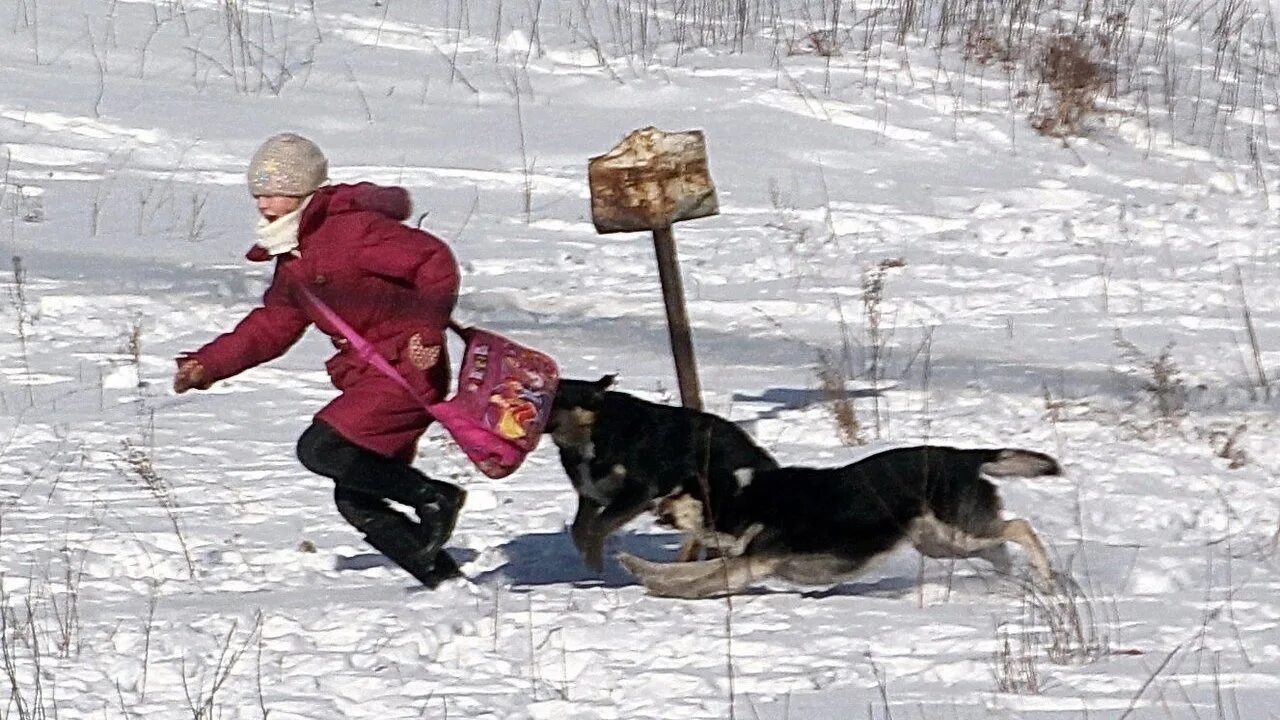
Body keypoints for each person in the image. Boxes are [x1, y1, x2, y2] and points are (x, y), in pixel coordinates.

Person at [173, 132, 467, 587]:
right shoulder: (294, 252)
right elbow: (275, 323)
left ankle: (437, 498)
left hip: (406, 367)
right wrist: (208, 364)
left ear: (303, 191)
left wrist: (427, 330)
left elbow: (433, 261)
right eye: (259, 194)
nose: (264, 205)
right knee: (357, 500)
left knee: (321, 448)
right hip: (369, 374)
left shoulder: (350, 231)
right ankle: (446, 584)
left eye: (275, 193)